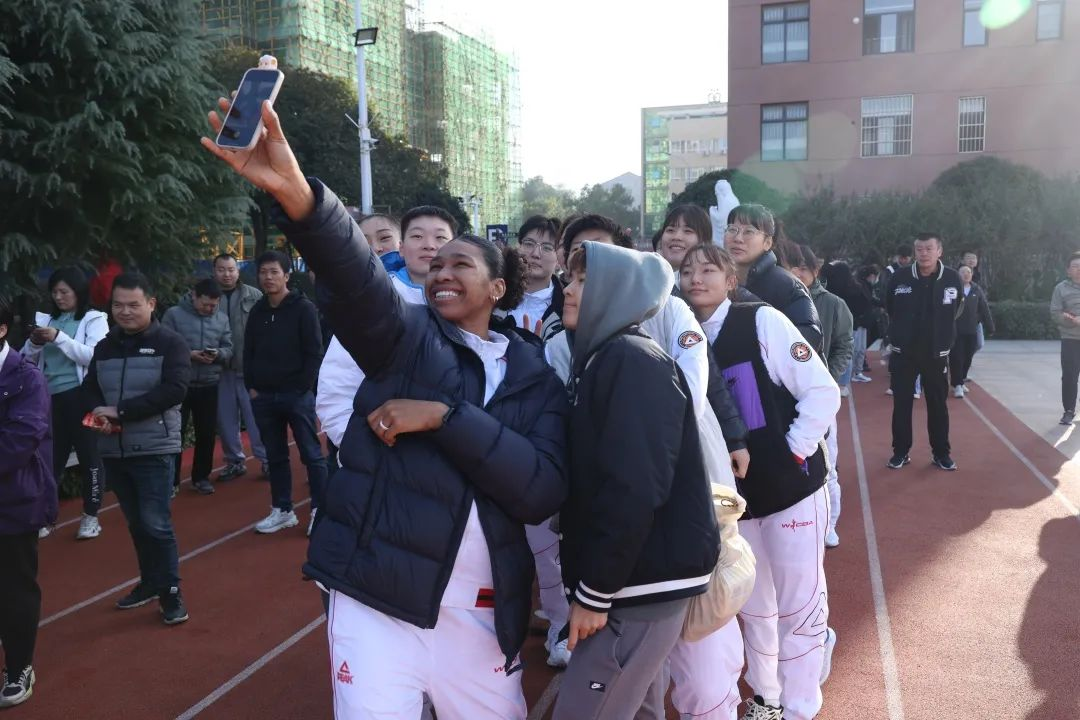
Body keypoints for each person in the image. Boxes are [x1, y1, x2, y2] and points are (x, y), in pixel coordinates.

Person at [200, 97, 570, 718]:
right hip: (376, 603)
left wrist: (445, 418)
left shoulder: (536, 379)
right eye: (435, 264)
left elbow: (540, 490)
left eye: (460, 263)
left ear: (498, 288)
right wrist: (299, 197)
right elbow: (355, 279)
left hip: (481, 617)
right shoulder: (406, 337)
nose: (441, 272)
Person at [552, 241, 720, 720]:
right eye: (571, 279)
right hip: (637, 577)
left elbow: (635, 487)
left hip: (636, 584)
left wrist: (595, 592)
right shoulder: (606, 356)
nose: (569, 290)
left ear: (618, 294)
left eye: (584, 281)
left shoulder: (629, 360)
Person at [680, 243, 840, 720]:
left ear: (731, 280)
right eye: (687, 270)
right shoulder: (682, 337)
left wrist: (792, 450)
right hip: (737, 503)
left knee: (800, 605)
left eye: (709, 269)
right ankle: (768, 697)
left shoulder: (762, 321)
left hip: (793, 492)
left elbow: (822, 391)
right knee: (753, 607)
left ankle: (800, 706)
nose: (696, 278)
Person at [82, 272, 191, 625]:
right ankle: (149, 583)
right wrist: (99, 412)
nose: (125, 312)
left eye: (133, 305)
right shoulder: (105, 346)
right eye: (118, 305)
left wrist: (122, 412)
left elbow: (174, 390)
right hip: (114, 449)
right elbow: (90, 387)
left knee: (156, 523)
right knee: (136, 524)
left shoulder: (170, 343)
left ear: (151, 304)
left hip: (154, 448)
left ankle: (171, 592)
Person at [20, 267, 108, 540]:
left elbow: (93, 356)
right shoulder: (45, 319)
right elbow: (24, 360)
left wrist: (59, 337)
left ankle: (91, 516)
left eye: (64, 292)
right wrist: (35, 343)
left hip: (83, 398)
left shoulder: (94, 319)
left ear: (78, 292)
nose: (58, 297)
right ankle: (46, 516)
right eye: (54, 292)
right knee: (50, 461)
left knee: (89, 456)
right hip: (49, 400)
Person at [244, 250, 327, 534]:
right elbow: (248, 351)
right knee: (275, 456)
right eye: (263, 272)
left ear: (286, 275)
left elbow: (314, 351)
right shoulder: (258, 311)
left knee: (311, 454)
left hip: (296, 395)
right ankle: (282, 509)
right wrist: (252, 387)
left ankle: (320, 510)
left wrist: (302, 387)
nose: (268, 277)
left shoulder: (304, 309)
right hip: (264, 396)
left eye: (274, 272)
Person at [0, 297, 57, 708]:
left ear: (2, 329)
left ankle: (19, 666)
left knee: (15, 587)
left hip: (14, 500)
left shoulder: (26, 377)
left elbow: (20, 440)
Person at [885, 234, 964, 471]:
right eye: (919, 249)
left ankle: (941, 453)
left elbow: (957, 309)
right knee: (902, 405)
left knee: (938, 405)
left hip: (936, 354)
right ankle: (900, 452)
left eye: (929, 248)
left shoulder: (952, 278)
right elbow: (890, 307)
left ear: (940, 251)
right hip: (904, 353)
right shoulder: (900, 277)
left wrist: (942, 335)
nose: (924, 253)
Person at [791, 246, 853, 551]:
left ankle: (829, 525)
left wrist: (828, 377)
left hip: (819, 396)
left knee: (827, 465)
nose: (797, 274)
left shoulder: (833, 304)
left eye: (803, 268)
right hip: (785, 394)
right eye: (791, 267)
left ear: (816, 270)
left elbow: (845, 344)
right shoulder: (776, 300)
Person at [162, 278, 234, 495]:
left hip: (209, 383)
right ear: (194, 296)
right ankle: (171, 481)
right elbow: (163, 345)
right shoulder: (174, 315)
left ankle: (201, 477)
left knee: (206, 434)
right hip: (179, 384)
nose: (210, 309)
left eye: (214, 305)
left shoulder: (221, 319)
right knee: (175, 434)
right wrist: (190, 355)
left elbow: (229, 349)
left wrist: (218, 354)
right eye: (205, 304)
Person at [723, 204, 823, 351]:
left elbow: (808, 337)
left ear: (767, 243)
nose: (738, 238)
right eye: (732, 229)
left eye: (749, 231)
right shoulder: (713, 281)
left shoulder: (786, 285)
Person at [212, 253, 268, 481]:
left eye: (231, 269)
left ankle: (266, 460)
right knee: (226, 421)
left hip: (249, 370)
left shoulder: (254, 296)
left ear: (238, 271)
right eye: (221, 269)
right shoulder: (205, 296)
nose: (226, 274)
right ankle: (234, 461)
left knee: (256, 419)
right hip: (219, 370)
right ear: (214, 272)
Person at [505, 215, 562, 334]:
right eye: (529, 244)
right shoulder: (495, 296)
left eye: (547, 248)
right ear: (518, 247)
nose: (535, 254)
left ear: (559, 259)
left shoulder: (567, 307)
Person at [390, 206, 457, 304]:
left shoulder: (468, 290)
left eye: (440, 237)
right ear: (401, 248)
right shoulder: (382, 290)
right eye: (417, 236)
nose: (429, 245)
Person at [949, 266, 994, 398]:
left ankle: (961, 380)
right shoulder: (953, 289)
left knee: (968, 357)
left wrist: (990, 326)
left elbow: (984, 308)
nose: (966, 274)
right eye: (963, 272)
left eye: (968, 272)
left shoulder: (976, 289)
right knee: (957, 358)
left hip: (971, 329)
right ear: (958, 274)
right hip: (956, 330)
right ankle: (957, 384)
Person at [1050, 252, 1080, 425]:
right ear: (1068, 270)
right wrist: (1071, 320)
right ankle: (1069, 410)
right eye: (1075, 266)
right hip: (1071, 339)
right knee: (1069, 376)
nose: (1079, 269)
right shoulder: (1061, 288)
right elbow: (1055, 312)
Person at [655, 204, 711, 290]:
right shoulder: (646, 281)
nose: (677, 237)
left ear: (704, 241)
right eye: (670, 230)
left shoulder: (712, 286)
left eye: (688, 231)